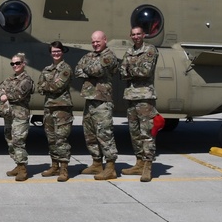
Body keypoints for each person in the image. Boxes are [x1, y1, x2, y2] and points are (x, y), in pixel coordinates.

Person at [74, 30, 121, 180]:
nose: (95, 44)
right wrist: (89, 70)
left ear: (105, 40)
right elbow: (77, 70)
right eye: (93, 41)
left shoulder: (109, 56)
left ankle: (111, 167)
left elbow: (97, 70)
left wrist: (87, 70)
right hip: (90, 99)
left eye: (98, 41)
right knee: (90, 134)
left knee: (104, 134)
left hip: (102, 100)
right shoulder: (90, 55)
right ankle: (96, 163)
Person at [120, 26, 159, 182]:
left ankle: (148, 166)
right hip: (130, 97)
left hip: (145, 97)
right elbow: (122, 73)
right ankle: (139, 163)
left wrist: (129, 69)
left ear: (143, 35)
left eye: (138, 34)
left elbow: (146, 71)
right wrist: (131, 69)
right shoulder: (129, 52)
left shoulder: (150, 50)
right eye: (133, 34)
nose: (136, 37)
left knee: (146, 133)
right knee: (134, 133)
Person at [36, 41, 73, 181]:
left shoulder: (66, 69)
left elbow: (58, 86)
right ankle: (54, 165)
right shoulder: (47, 69)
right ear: (50, 53)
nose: (56, 53)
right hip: (49, 108)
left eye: (58, 51)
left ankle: (64, 168)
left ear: (62, 52)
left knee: (61, 139)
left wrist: (46, 85)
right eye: (53, 51)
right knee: (51, 139)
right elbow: (40, 87)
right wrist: (47, 85)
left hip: (62, 109)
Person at [0, 52, 35, 181]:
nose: (15, 65)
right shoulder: (10, 79)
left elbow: (19, 95)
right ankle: (18, 165)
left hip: (20, 115)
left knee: (18, 141)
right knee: (10, 140)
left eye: (17, 63)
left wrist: (6, 95)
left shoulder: (26, 80)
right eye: (12, 63)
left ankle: (23, 169)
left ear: (23, 64)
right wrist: (2, 93)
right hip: (9, 115)